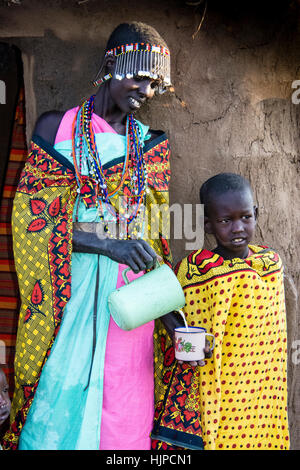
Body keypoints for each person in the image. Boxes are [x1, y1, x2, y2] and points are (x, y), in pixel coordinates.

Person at [2, 22, 179, 450]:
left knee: (123, 400)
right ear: (109, 65)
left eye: (154, 83)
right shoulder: (55, 129)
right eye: (138, 75)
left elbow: (153, 240)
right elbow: (32, 223)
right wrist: (107, 245)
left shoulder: (149, 145)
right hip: (68, 292)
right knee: (57, 390)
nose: (146, 90)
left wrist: (171, 315)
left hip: (129, 302)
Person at [151, 173, 290, 450]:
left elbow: (274, 336)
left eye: (246, 217)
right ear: (208, 224)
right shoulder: (193, 271)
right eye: (226, 221)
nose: (238, 227)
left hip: (262, 392)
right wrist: (185, 341)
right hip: (213, 389)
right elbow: (171, 320)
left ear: (256, 214)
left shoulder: (269, 265)